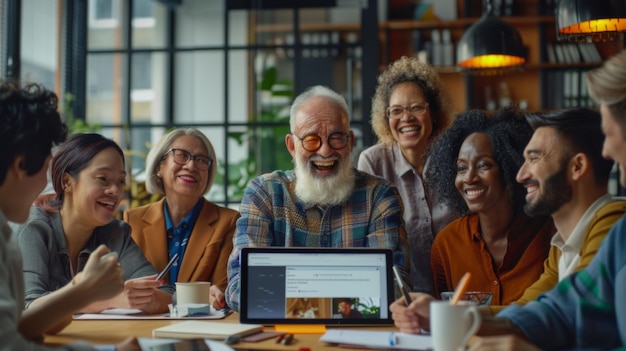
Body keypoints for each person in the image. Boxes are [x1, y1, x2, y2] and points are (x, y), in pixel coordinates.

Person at [395, 52, 626, 350]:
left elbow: (576, 323)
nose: (520, 174)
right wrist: (457, 318)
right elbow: (551, 312)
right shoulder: (567, 245)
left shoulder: (612, 226)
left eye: (534, 158)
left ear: (577, 167)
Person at [225, 85, 410, 311]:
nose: (324, 151)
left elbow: (393, 288)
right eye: (311, 139)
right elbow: (239, 288)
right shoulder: (265, 194)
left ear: (350, 141)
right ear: (292, 146)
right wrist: (342, 297)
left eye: (336, 138)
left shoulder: (379, 196)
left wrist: (295, 294)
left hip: (355, 340)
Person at [0, 81, 138, 350]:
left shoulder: (4, 234)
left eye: (120, 182)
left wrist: (81, 291)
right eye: (45, 169)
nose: (45, 187)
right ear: (20, 164)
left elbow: (16, 328)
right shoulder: (27, 231)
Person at [16, 133, 173, 315]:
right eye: (102, 178)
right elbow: (29, 306)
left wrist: (144, 298)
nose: (115, 191)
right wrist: (107, 300)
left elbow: (165, 293)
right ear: (67, 182)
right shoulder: (34, 227)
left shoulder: (115, 233)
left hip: (94, 339)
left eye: (121, 182)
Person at [426, 108, 554, 305]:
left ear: (511, 168)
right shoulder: (447, 244)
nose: (468, 178)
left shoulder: (550, 235)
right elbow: (445, 316)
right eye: (461, 168)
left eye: (483, 165)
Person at [357, 56, 459, 294]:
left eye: (416, 108)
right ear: (386, 117)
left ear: (433, 112)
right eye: (397, 111)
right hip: (401, 298)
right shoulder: (373, 163)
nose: (406, 118)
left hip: (457, 295)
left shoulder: (457, 157)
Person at [124, 128, 239, 310]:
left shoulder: (228, 222)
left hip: (200, 327)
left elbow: (220, 295)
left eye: (201, 160)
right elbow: (127, 289)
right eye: (181, 155)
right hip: (143, 325)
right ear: (159, 167)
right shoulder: (132, 221)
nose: (191, 166)